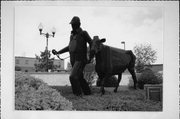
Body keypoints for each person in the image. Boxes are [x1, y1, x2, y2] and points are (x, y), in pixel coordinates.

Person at [52, 16, 92, 96]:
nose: (72, 26)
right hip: (73, 60)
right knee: (80, 77)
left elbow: (91, 43)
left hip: (80, 60)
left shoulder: (84, 33)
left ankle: (77, 94)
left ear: (79, 24)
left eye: (74, 24)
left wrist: (90, 56)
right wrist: (58, 52)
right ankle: (87, 92)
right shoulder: (72, 36)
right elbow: (69, 47)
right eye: (72, 24)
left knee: (73, 76)